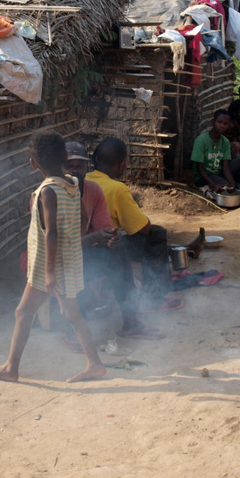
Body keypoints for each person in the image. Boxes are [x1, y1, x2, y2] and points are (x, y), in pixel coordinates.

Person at [0, 130, 106, 384]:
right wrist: (72, 239)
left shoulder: (46, 191)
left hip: (47, 266)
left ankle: (10, 369)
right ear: (64, 156)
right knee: (72, 314)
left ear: (33, 164)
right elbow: (83, 220)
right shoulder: (73, 184)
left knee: (22, 313)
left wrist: (50, 271)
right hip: (69, 261)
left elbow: (51, 233)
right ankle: (95, 364)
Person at [63, 142, 164, 341]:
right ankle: (73, 333)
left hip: (81, 252)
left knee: (118, 255)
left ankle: (131, 323)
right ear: (59, 167)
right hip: (54, 260)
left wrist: (111, 239)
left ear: (87, 167)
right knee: (73, 267)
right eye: (69, 165)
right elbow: (57, 246)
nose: (75, 170)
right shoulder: (50, 194)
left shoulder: (93, 189)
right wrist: (95, 238)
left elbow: (103, 228)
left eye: (79, 165)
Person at [87, 137, 183, 313]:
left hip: (83, 249)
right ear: (122, 164)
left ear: (96, 159)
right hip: (103, 252)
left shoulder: (85, 180)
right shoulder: (117, 189)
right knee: (156, 234)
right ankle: (154, 297)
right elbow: (143, 228)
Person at [192, 108, 240, 191]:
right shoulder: (201, 140)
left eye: (225, 124)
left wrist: (232, 182)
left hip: (218, 173)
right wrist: (213, 184)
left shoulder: (225, 141)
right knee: (228, 187)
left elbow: (225, 166)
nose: (222, 126)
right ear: (213, 121)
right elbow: (200, 168)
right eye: (219, 122)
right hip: (204, 177)